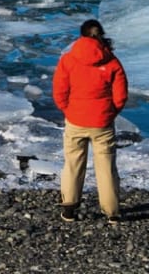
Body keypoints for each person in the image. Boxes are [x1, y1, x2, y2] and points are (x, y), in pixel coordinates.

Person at [53, 18, 128, 222]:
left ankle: (69, 208)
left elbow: (60, 90)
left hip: (75, 120)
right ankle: (112, 212)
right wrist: (110, 113)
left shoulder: (68, 60)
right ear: (101, 34)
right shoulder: (112, 61)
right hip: (102, 122)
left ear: (82, 35)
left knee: (73, 164)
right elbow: (120, 96)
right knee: (106, 168)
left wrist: (67, 110)